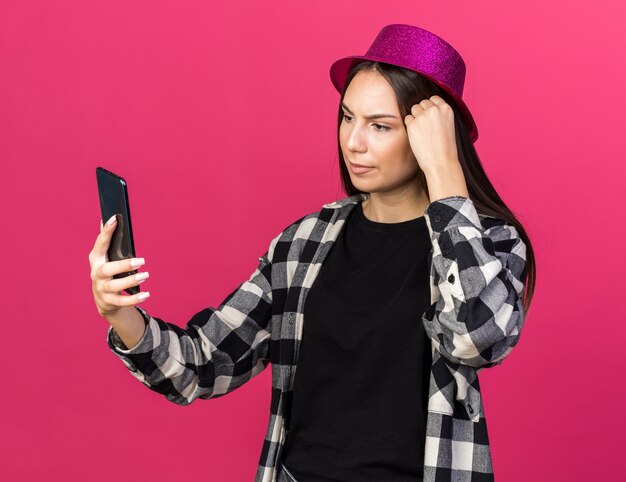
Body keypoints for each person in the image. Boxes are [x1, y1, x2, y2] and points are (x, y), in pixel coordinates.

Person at [88, 23, 536, 482]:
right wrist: (120, 314)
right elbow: (201, 366)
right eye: (347, 117)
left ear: (432, 135)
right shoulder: (305, 243)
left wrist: (445, 172)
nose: (353, 142)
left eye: (380, 126)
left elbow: (477, 340)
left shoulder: (491, 243)